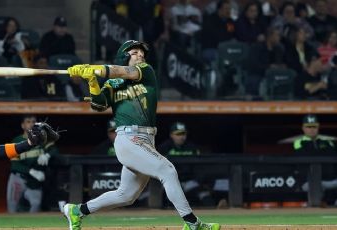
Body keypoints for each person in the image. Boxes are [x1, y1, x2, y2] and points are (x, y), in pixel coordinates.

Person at [64, 40, 220, 230]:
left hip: (145, 139)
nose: (141, 55)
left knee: (126, 195)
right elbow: (98, 105)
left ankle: (77, 211)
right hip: (128, 138)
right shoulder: (112, 83)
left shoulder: (145, 71)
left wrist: (94, 69)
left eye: (141, 53)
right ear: (124, 55)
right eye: (135, 52)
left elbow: (122, 72)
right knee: (168, 171)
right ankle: (192, 223)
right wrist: (92, 81)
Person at [7, 115, 59, 213]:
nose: (31, 124)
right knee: (12, 208)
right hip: (18, 179)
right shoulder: (17, 141)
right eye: (28, 121)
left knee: (36, 205)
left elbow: (55, 150)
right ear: (23, 125)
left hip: (34, 182)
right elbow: (14, 165)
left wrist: (47, 155)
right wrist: (31, 171)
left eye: (33, 122)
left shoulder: (42, 139)